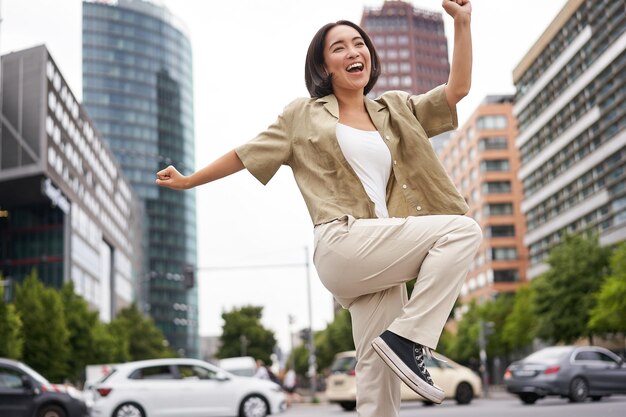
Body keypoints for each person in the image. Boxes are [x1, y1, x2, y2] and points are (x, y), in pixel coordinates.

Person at [156, 1, 480, 416]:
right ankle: (411, 338)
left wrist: (463, 24)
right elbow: (245, 154)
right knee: (462, 230)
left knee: (377, 381)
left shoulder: (396, 110)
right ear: (324, 66)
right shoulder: (303, 116)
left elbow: (457, 90)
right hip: (342, 242)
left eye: (358, 44)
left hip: (383, 252)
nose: (353, 52)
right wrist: (189, 180)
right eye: (340, 47)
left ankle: (401, 343)